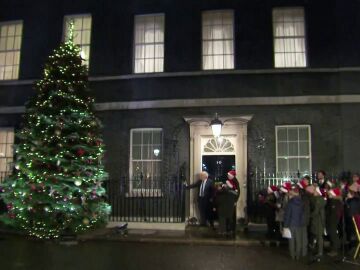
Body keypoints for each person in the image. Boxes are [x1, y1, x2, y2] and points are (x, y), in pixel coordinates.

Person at [283, 188, 306, 260]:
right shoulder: (302, 202)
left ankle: (293, 255)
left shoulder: (290, 203)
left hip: (291, 224)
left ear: (292, 194)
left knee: (291, 241)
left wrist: (285, 225)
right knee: (298, 240)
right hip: (299, 224)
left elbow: (287, 215)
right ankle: (298, 255)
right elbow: (302, 215)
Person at [309, 186, 327, 260]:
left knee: (319, 237)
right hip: (319, 220)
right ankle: (319, 251)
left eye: (315, 191)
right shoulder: (320, 199)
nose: (314, 192)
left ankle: (320, 252)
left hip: (318, 220)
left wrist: (309, 215)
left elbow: (316, 212)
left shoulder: (319, 200)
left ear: (318, 193)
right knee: (319, 236)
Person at [326, 187, 343, 256]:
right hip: (333, 219)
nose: (328, 194)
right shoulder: (333, 200)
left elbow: (334, 212)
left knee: (333, 233)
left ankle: (335, 249)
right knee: (332, 233)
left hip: (333, 220)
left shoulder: (335, 202)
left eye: (330, 193)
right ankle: (335, 247)